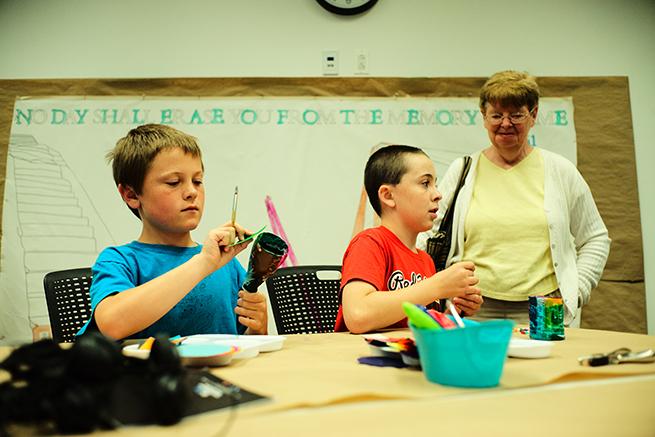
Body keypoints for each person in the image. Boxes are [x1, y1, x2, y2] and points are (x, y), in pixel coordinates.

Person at [418, 71, 610, 326]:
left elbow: (595, 238)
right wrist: (436, 289)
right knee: (477, 366)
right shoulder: (462, 170)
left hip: (546, 305)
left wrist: (576, 290)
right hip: (472, 307)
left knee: (545, 366)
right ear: (484, 118)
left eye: (516, 115)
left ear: (534, 115)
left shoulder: (559, 170)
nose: (505, 123)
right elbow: (426, 234)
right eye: (496, 115)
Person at [77, 124, 268, 340]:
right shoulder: (120, 261)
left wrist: (257, 328)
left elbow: (244, 344)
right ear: (131, 195)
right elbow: (112, 323)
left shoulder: (227, 265)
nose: (191, 192)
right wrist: (203, 263)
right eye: (173, 182)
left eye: (198, 181)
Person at [334, 145, 483, 334]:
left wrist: (454, 313)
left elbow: (416, 327)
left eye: (435, 184)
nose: (438, 194)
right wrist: (437, 286)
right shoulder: (370, 243)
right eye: (424, 183)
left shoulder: (426, 261)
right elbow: (358, 314)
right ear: (388, 195)